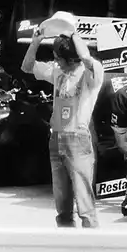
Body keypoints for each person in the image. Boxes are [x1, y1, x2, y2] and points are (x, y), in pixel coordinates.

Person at [22, 26, 104, 228]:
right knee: (62, 206)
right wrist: (35, 42)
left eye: (58, 57)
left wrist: (74, 35)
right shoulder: (57, 71)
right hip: (56, 137)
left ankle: (93, 247)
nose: (55, 61)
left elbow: (86, 58)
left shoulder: (90, 73)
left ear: (71, 58)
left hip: (77, 138)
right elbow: (27, 66)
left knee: (84, 203)